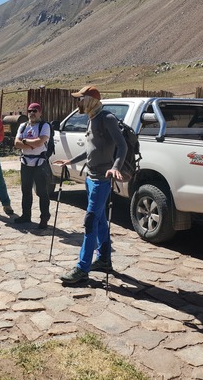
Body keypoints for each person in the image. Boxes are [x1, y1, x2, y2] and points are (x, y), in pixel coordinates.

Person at [54, 85, 127, 284]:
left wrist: (115, 167)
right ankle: (103, 259)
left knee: (90, 222)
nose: (77, 102)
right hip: (90, 177)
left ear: (89, 100)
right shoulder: (92, 118)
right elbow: (90, 150)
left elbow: (122, 145)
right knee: (100, 220)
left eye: (80, 99)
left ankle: (82, 268)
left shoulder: (107, 118)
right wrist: (71, 161)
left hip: (101, 180)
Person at [14, 102, 52, 229]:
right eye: (30, 111)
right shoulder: (23, 126)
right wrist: (31, 144)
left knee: (42, 192)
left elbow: (40, 142)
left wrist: (25, 141)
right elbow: (16, 143)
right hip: (25, 162)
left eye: (35, 111)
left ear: (40, 112)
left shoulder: (45, 126)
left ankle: (44, 218)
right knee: (26, 191)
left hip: (39, 163)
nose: (32, 113)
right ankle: (26, 215)